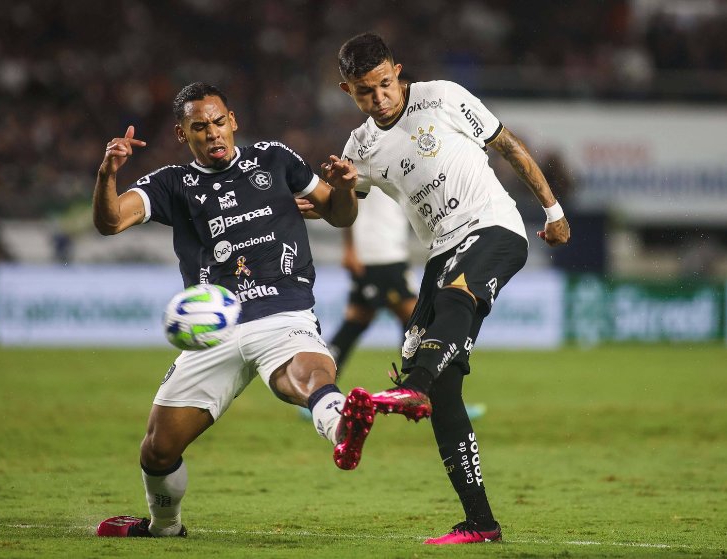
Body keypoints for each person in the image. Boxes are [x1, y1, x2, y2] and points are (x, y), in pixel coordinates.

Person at [92, 82, 367, 539]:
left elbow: (341, 215)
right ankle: (165, 526)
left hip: (283, 312)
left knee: (307, 378)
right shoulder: (172, 184)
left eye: (219, 122)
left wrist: (343, 189)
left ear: (233, 120)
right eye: (199, 127)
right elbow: (110, 221)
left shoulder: (275, 159)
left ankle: (343, 429)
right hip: (214, 326)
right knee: (158, 450)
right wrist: (108, 174)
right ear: (184, 135)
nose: (213, 133)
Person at [329, 33, 570, 545]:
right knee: (445, 392)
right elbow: (343, 210)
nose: (381, 98)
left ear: (398, 70)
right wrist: (341, 188)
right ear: (347, 89)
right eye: (366, 92)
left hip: (495, 228)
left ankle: (410, 387)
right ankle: (480, 522)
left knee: (454, 306)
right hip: (440, 251)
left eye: (386, 84)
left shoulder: (443, 96)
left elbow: (508, 146)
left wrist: (552, 210)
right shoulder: (360, 147)